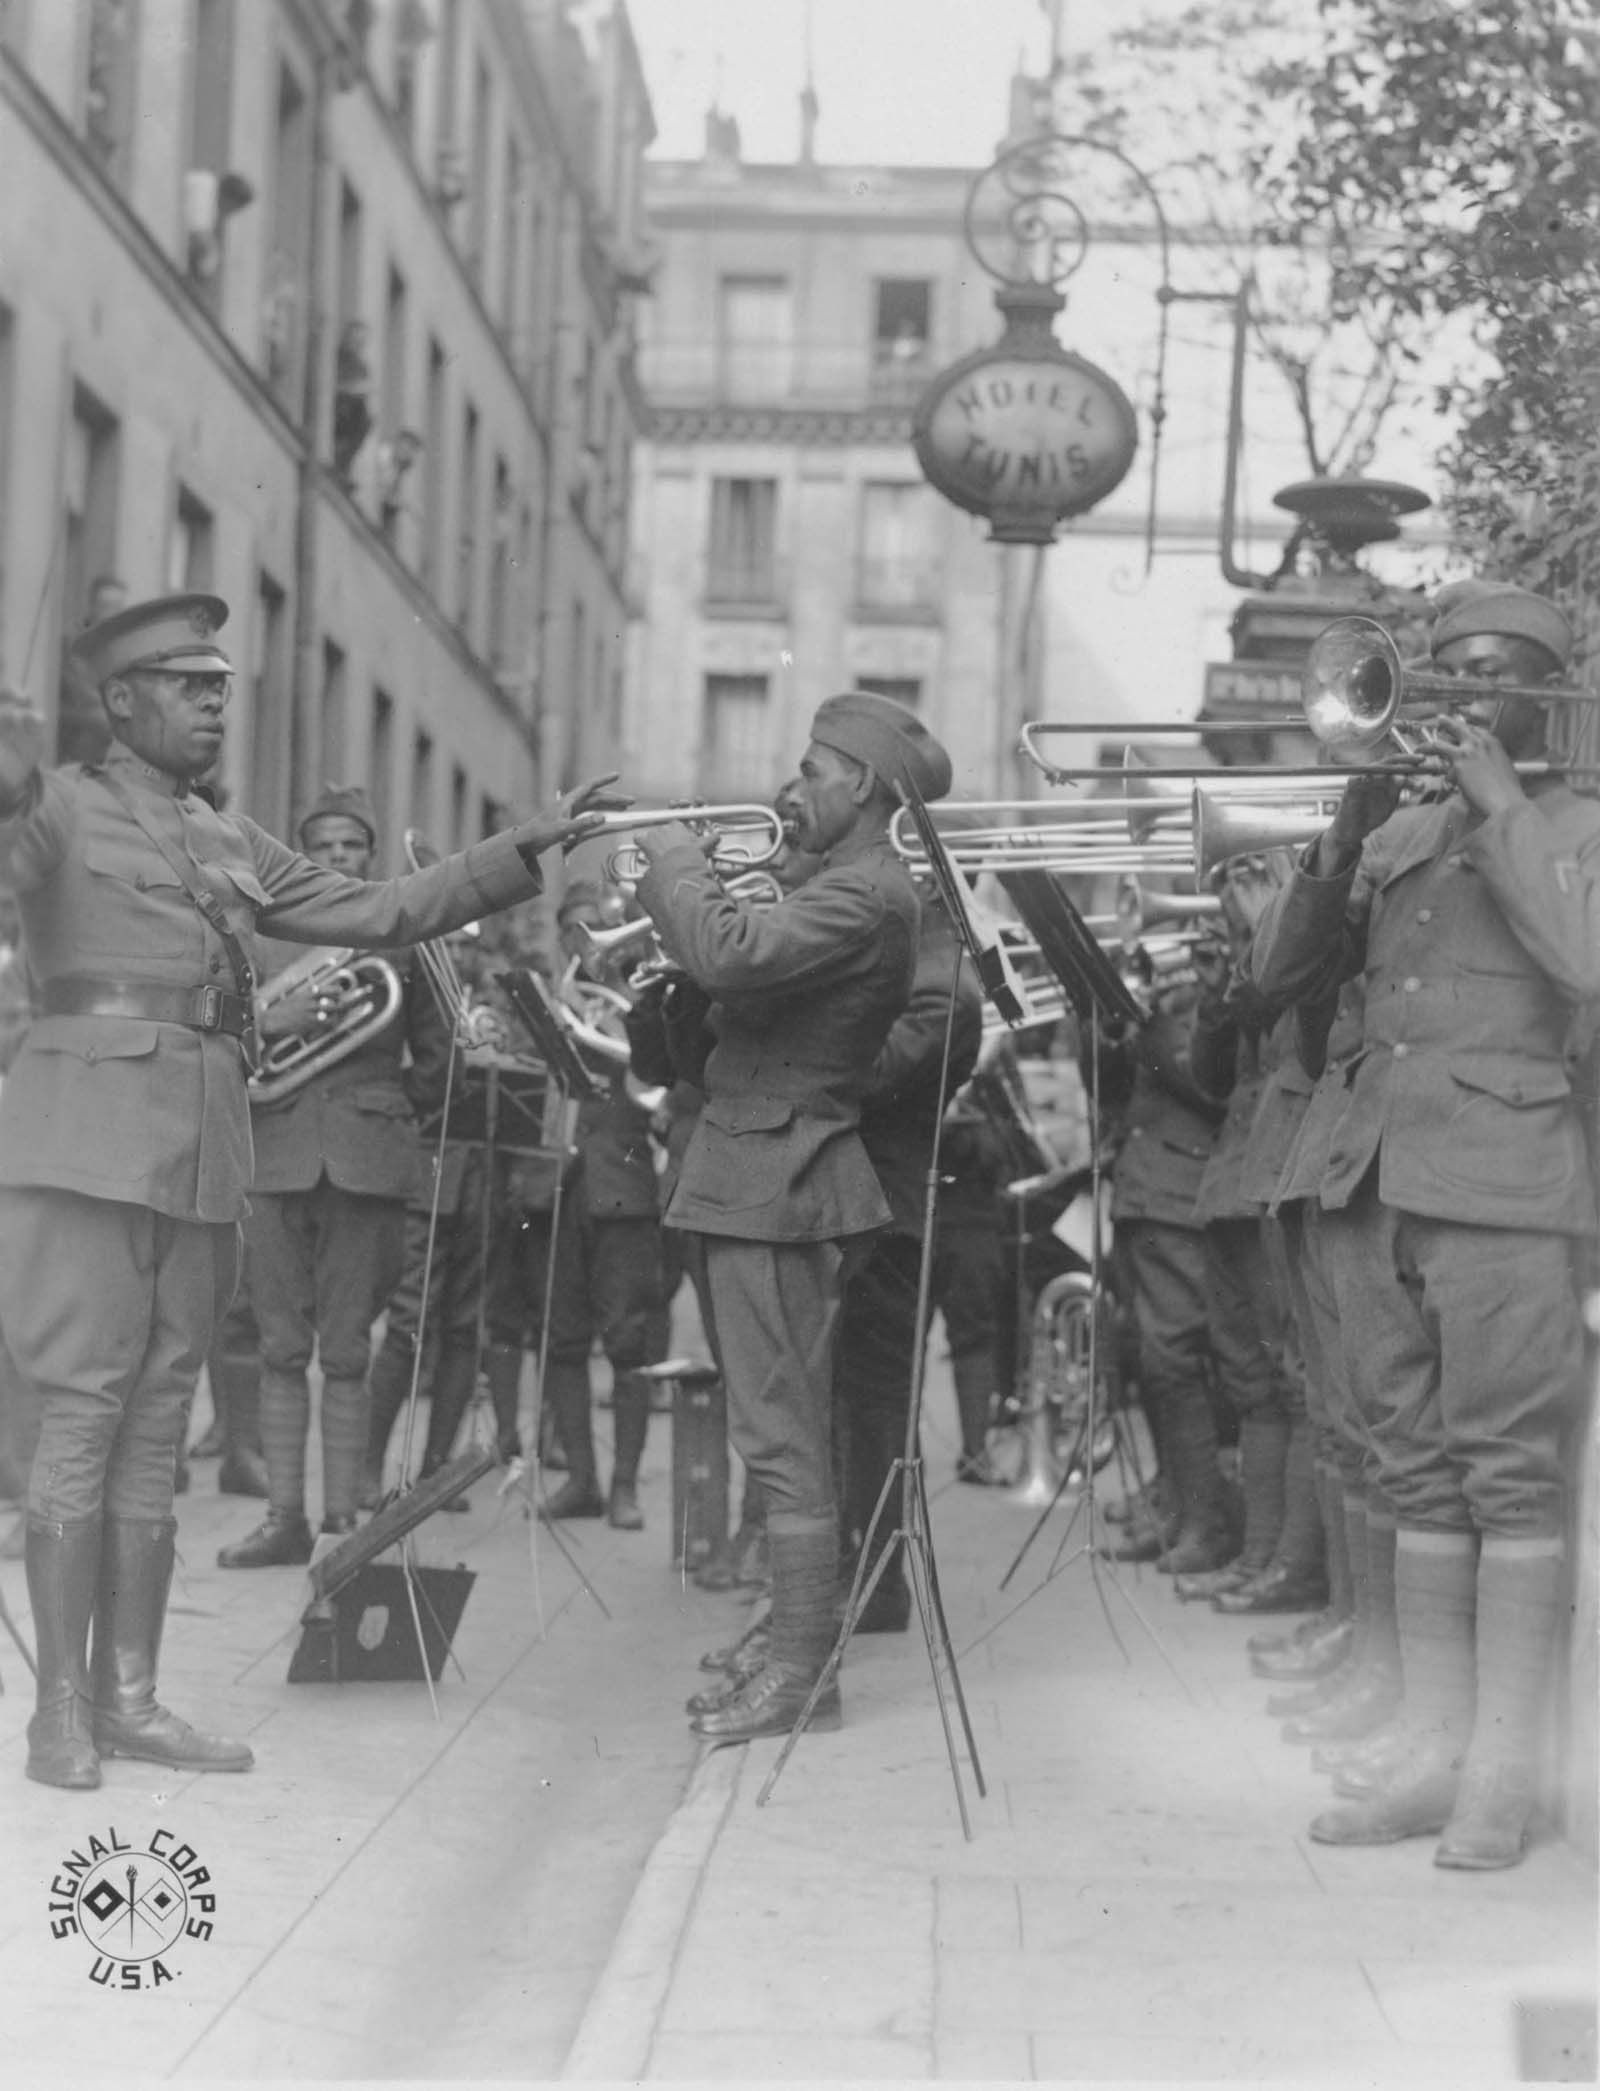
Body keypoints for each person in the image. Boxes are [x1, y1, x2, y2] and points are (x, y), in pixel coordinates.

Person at [0, 592, 616, 1790]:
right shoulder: (60, 809)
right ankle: (59, 1713)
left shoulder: (230, 837)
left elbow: (383, 913)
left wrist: (526, 844)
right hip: (80, 1141)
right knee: (83, 1413)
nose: (217, 699)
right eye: (187, 682)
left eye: (222, 682)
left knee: (157, 1421)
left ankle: (131, 1697)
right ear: (120, 699)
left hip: (203, 1151)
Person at [1252, 586, 1599, 1868]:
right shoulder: (1399, 829)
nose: (1459, 694)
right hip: (1371, 1181)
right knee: (1408, 1468)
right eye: (1445, 672)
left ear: (1543, 696)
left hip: (1505, 1187)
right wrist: (1342, 833)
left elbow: (1587, 962)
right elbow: (1276, 985)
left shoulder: (1568, 824)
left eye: (1493, 674)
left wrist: (1503, 802)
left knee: (1504, 1471)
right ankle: (1431, 1757)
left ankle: (1502, 1780)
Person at [632, 691, 948, 1742]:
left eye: (814, 769)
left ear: (860, 783)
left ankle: (805, 1673)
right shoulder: (842, 884)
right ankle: (790, 1646)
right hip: (756, 1166)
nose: (794, 784)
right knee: (780, 1428)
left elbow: (731, 958)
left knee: (784, 1438)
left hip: (781, 1171)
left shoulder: (868, 895)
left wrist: (676, 862)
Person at [216, 786, 444, 1567]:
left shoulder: (402, 943)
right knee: (282, 1345)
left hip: (366, 1160)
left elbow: (438, 1060)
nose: (340, 858)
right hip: (276, 1156)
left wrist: (375, 1107)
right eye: (324, 847)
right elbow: (230, 1040)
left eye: (353, 846)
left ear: (370, 855)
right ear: (300, 857)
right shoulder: (265, 941)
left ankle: (342, 1523)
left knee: (346, 1348)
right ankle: (285, 1517)